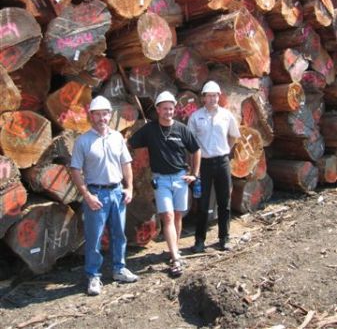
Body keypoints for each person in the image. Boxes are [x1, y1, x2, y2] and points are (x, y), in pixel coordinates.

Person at [70, 95, 138, 296]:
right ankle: (93, 275)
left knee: (119, 234)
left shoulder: (117, 137)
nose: (102, 118)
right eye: (97, 114)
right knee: (95, 237)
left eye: (105, 114)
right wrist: (87, 195)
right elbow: (75, 170)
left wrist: (130, 188)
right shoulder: (83, 141)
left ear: (110, 115)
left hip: (117, 192)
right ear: (91, 116)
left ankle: (119, 268)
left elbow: (126, 164)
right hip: (96, 194)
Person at [128, 91, 201, 277]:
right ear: (158, 110)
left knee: (177, 217)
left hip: (180, 179)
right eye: (165, 109)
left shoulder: (181, 129)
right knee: (167, 216)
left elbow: (196, 150)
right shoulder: (150, 129)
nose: (168, 112)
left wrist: (195, 173)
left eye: (171, 108)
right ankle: (176, 257)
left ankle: (173, 250)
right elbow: (131, 142)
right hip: (161, 180)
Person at [188, 81, 241, 253]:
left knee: (224, 202)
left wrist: (225, 150)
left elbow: (233, 135)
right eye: (208, 95)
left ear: (219, 96)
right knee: (203, 203)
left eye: (215, 95)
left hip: (222, 162)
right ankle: (199, 241)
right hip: (203, 164)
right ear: (203, 98)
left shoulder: (226, 115)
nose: (212, 99)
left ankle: (224, 238)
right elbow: (190, 142)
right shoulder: (195, 117)